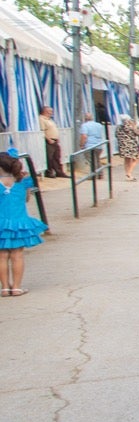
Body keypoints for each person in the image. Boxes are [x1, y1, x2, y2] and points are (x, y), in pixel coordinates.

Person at [0, 151, 47, 296]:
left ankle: (5, 288)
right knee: (17, 255)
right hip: (19, 222)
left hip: (1, 222)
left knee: (2, 256)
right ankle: (17, 287)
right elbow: (27, 199)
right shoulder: (23, 180)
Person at [115, 114, 139, 181]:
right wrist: (135, 126)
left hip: (122, 145)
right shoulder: (132, 126)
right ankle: (129, 173)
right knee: (136, 159)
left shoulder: (118, 127)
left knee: (126, 160)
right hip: (131, 145)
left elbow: (116, 135)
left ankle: (127, 174)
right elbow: (138, 133)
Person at [39, 106, 64, 177]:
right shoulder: (42, 119)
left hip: (55, 140)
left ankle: (59, 172)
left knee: (57, 157)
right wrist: (48, 139)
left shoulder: (50, 120)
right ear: (45, 111)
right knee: (49, 157)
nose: (52, 113)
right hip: (49, 140)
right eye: (50, 111)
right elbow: (42, 131)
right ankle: (49, 172)